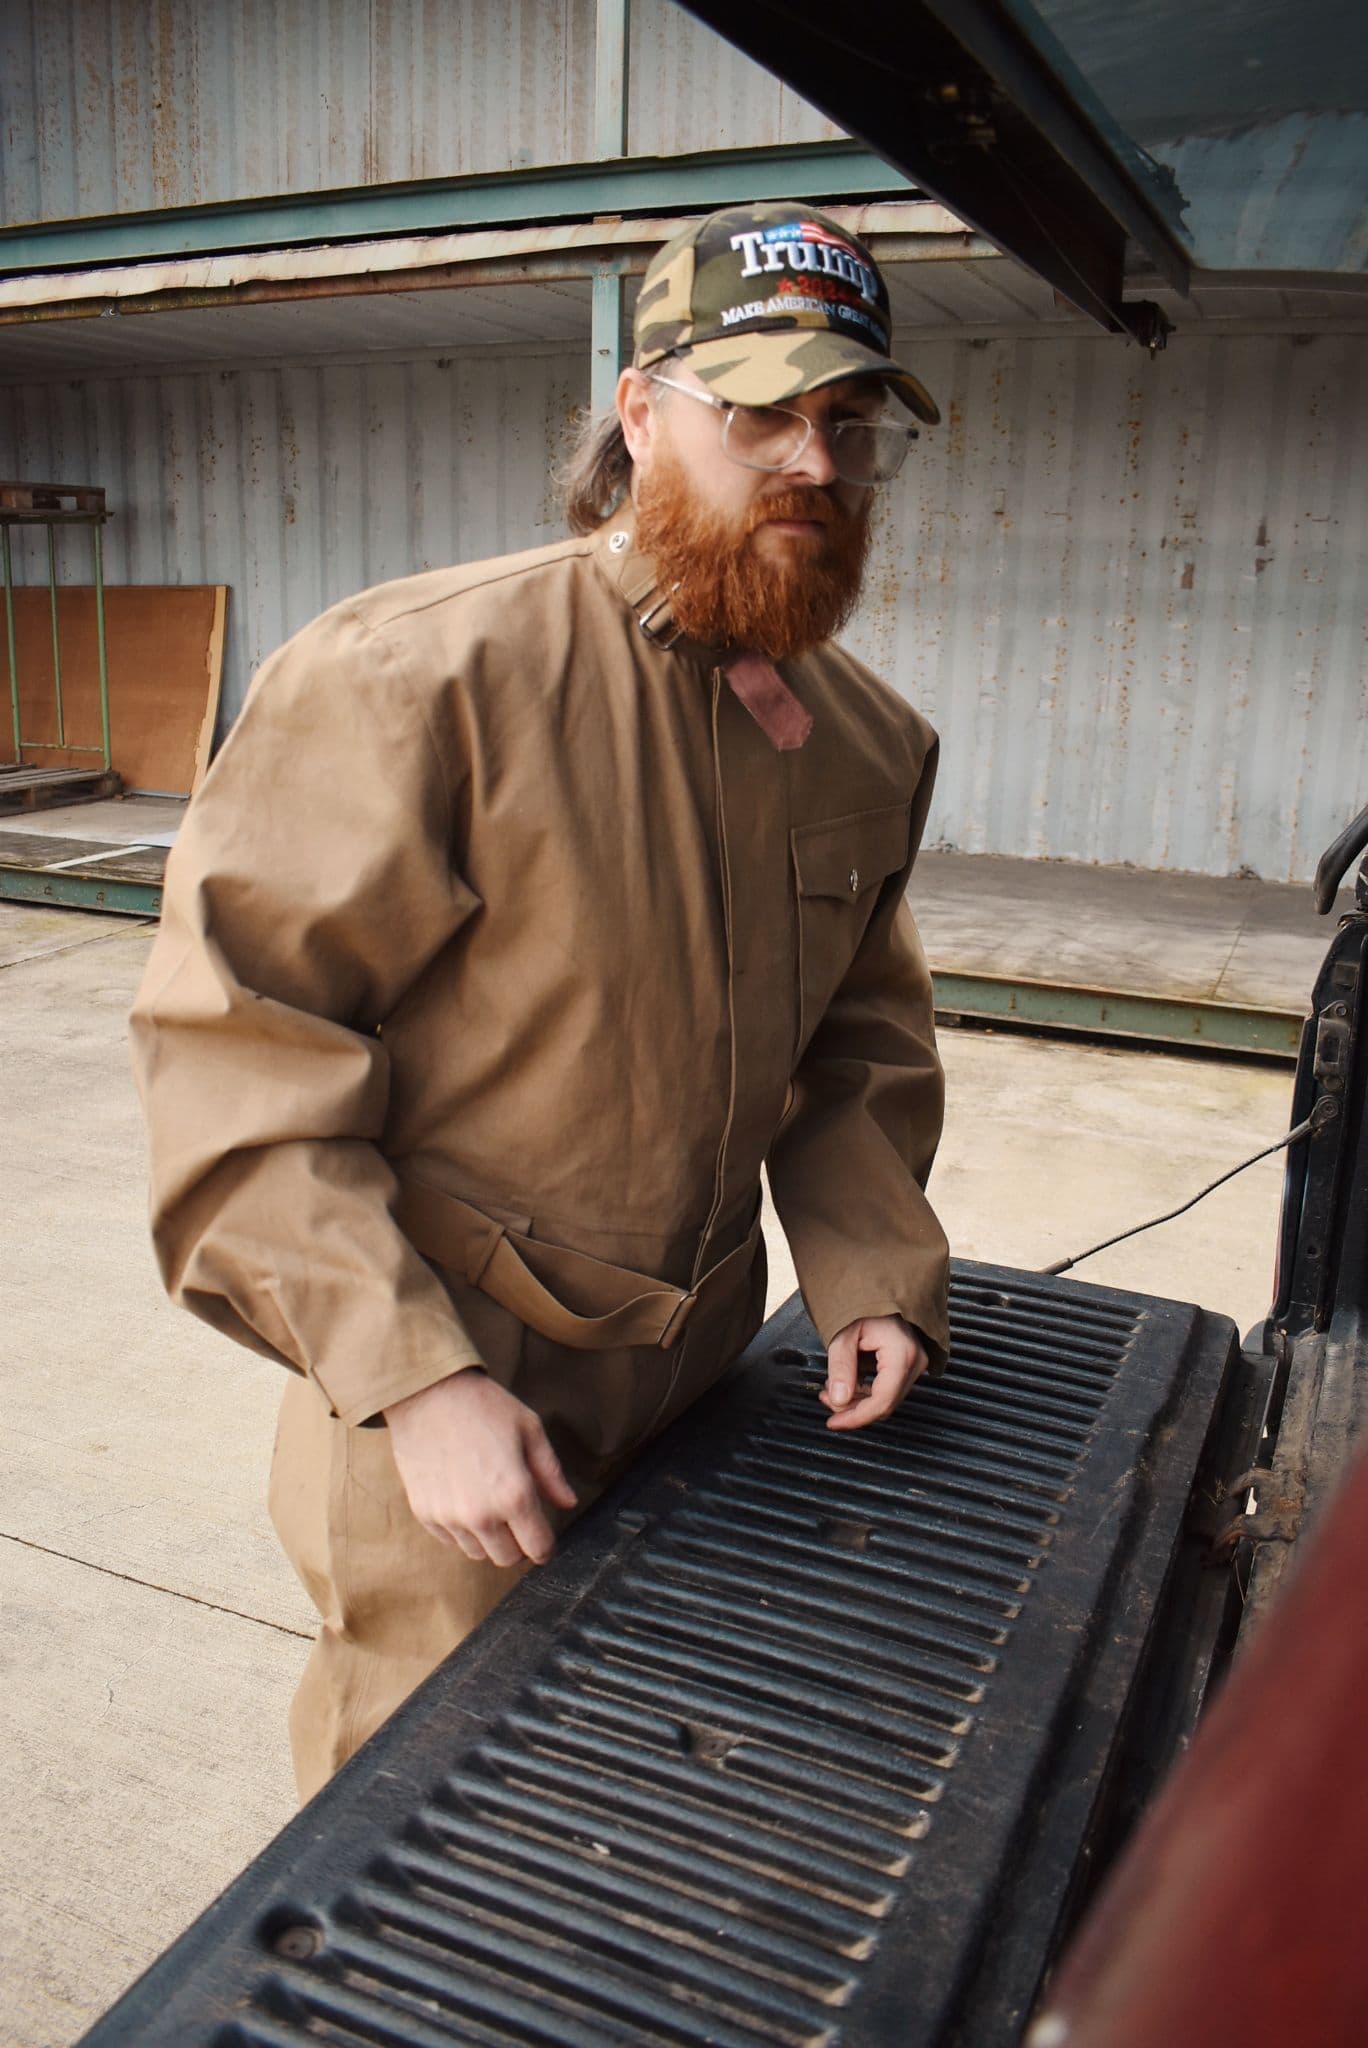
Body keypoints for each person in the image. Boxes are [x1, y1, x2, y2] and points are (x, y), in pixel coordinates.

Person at [129, 202, 952, 1802]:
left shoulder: (863, 740)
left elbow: (858, 1043)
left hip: (700, 1377)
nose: (813, 464)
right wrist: (419, 1385)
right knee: (421, 1814)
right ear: (642, 411)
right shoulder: (417, 679)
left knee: (620, 1788)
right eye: (762, 411)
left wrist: (871, 1274)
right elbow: (239, 1062)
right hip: (449, 1394)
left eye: (850, 428)